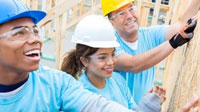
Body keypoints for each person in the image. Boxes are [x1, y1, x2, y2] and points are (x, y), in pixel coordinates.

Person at [0, 0, 198, 112]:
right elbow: (134, 65)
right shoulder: (77, 84)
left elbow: (102, 108)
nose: (35, 39)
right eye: (19, 32)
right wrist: (173, 43)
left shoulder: (57, 84)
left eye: (35, 30)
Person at [101, 0, 199, 103]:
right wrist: (172, 43)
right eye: (121, 13)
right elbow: (133, 64)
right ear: (111, 22)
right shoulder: (109, 46)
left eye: (131, 8)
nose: (129, 15)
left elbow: (181, 26)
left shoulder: (150, 35)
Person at [61, 15, 166, 112]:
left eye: (112, 54)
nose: (111, 62)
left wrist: (147, 104)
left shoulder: (118, 80)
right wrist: (147, 108)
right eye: (102, 57)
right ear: (84, 61)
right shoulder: (81, 95)